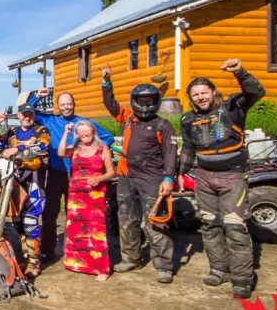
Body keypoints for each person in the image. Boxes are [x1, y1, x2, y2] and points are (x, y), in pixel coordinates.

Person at [178, 58, 265, 299]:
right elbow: (187, 148)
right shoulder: (187, 119)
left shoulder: (232, 108)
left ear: (213, 92)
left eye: (204, 92)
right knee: (209, 224)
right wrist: (179, 174)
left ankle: (242, 278)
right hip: (204, 177)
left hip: (232, 177)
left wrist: (240, 72)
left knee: (235, 226)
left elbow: (256, 92)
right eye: (195, 94)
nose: (200, 97)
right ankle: (218, 269)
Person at [101, 67, 179, 283]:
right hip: (126, 177)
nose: (144, 105)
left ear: (156, 101)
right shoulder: (128, 118)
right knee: (126, 219)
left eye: (149, 101)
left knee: (155, 221)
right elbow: (111, 105)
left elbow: (171, 154)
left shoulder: (162, 125)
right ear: (135, 101)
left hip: (152, 179)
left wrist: (168, 178)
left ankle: (163, 265)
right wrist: (106, 83)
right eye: (141, 101)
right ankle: (131, 258)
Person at [29, 88, 114, 262]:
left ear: (74, 105)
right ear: (58, 106)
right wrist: (36, 97)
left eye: (69, 104)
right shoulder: (49, 119)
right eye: (63, 104)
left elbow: (108, 137)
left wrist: (90, 150)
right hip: (55, 172)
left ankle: (75, 250)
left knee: (75, 213)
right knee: (50, 213)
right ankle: (47, 250)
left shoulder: (83, 123)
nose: (66, 107)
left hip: (78, 174)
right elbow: (28, 112)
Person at [0, 103, 51, 277]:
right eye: (24, 114)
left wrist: (18, 148)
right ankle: (24, 257)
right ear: (19, 116)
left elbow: (43, 147)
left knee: (31, 222)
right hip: (14, 180)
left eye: (30, 114)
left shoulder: (41, 130)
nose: (27, 117)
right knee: (17, 223)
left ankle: (34, 263)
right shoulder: (13, 132)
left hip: (34, 181)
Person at [58, 120, 115, 281]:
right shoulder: (75, 149)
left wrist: (100, 179)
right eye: (81, 132)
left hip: (96, 195)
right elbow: (61, 152)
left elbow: (111, 172)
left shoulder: (103, 149)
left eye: (87, 130)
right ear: (78, 135)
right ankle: (77, 264)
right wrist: (66, 133)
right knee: (76, 230)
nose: (85, 134)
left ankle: (101, 268)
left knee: (97, 231)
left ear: (93, 131)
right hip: (76, 196)